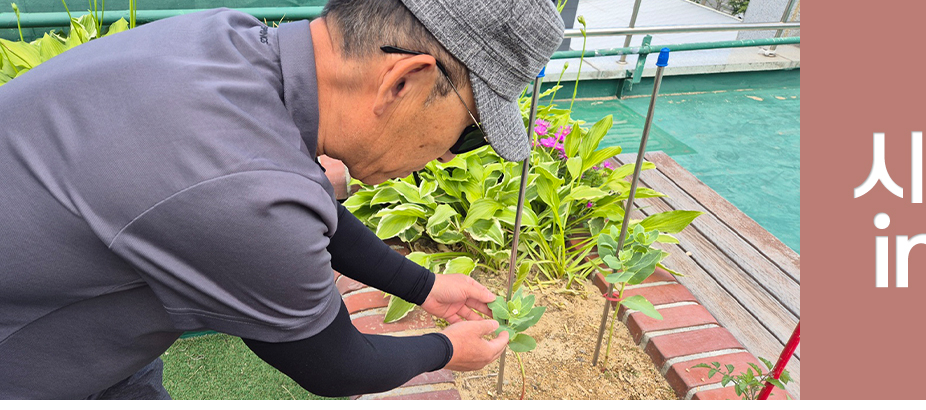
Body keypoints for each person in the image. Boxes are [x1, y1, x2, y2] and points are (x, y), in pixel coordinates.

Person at [0, 0, 564, 399]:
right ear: (403, 81)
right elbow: (337, 367)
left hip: (77, 313)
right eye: (470, 132)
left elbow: (308, 205)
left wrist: (425, 287)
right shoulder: (242, 189)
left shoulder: (224, 40)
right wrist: (446, 350)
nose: (447, 157)